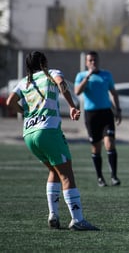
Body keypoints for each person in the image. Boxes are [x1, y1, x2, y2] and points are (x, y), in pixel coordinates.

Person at [6, 51, 99, 230]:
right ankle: (78, 220)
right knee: (67, 174)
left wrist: (25, 112)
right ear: (44, 63)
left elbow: (10, 101)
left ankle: (53, 215)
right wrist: (72, 106)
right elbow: (61, 84)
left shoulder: (25, 82)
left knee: (54, 171)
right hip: (47, 131)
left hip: (29, 134)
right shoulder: (52, 73)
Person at [74, 51, 122, 187]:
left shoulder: (106, 75)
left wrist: (118, 109)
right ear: (86, 63)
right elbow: (77, 92)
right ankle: (100, 177)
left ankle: (114, 176)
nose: (93, 62)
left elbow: (113, 93)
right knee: (96, 147)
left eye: (95, 60)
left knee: (110, 143)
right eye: (90, 60)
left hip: (106, 114)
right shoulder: (81, 76)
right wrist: (88, 76)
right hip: (91, 115)